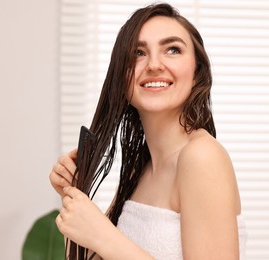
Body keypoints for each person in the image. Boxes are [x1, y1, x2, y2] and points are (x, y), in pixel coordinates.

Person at [49, 3, 246, 260]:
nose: (153, 64)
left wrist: (103, 234)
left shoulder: (201, 157)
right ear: (121, 76)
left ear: (197, 72)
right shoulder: (140, 167)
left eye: (172, 49)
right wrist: (74, 197)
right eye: (138, 53)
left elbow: (110, 244)